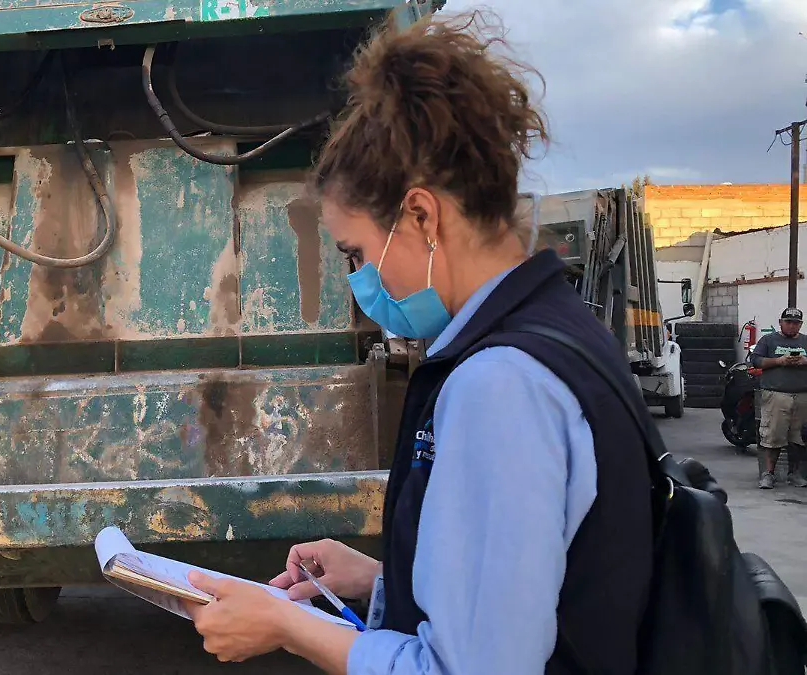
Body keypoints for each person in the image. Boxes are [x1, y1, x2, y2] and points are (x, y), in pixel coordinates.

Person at [182, 13, 655, 675]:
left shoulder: (500, 385)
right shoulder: (560, 333)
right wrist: (385, 581)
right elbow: (534, 595)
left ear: (423, 216)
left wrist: (287, 626)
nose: (360, 282)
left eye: (356, 253)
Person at [750, 307, 807, 489]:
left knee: (799, 438)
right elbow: (756, 361)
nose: (792, 326)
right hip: (776, 395)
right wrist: (779, 361)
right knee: (773, 436)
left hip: (802, 396)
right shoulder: (768, 340)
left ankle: (795, 474)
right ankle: (768, 474)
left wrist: (805, 361)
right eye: (788, 322)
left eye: (796, 323)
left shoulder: (805, 341)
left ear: (801, 325)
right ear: (780, 322)